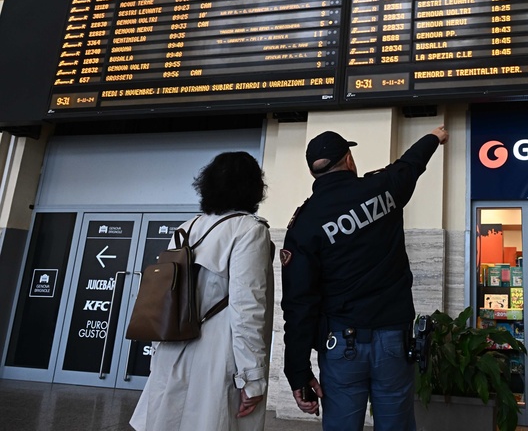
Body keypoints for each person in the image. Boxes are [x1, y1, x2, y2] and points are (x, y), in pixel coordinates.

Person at [281, 126, 449, 431]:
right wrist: (434, 136)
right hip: (394, 344)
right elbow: (411, 163)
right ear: (348, 159)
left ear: (314, 172)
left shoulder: (304, 224)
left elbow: (298, 304)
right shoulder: (383, 187)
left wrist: (297, 371)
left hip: (341, 347)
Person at [130, 151, 274, 431]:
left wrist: (156, 358)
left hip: (172, 351)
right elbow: (248, 307)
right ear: (254, 187)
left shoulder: (186, 228)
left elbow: (165, 301)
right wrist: (252, 378)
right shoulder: (249, 230)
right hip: (218, 356)